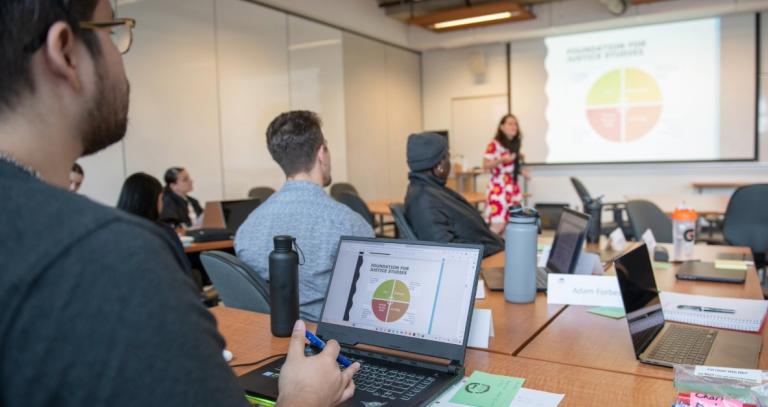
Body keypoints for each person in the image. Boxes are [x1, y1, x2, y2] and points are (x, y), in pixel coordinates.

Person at [0, 1, 358, 406]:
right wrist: (305, 395)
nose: (121, 52)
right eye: (113, 31)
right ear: (65, 52)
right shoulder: (113, 257)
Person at [236, 110, 374, 321]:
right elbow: (367, 301)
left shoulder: (246, 229)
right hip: (328, 338)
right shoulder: (350, 225)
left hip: (266, 337)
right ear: (322, 153)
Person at [404, 133, 504, 258]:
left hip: (494, 251)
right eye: (448, 157)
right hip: (487, 260)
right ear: (439, 165)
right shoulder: (423, 200)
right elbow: (447, 250)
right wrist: (493, 248)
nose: (450, 162)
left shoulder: (433, 190)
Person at [116, 172, 194, 279]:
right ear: (153, 202)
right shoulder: (162, 231)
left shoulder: (111, 232)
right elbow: (184, 270)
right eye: (161, 198)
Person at [483, 114, 530, 234]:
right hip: (499, 187)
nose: (514, 126)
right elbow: (485, 165)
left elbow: (510, 168)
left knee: (511, 225)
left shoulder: (514, 145)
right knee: (498, 224)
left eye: (515, 124)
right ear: (502, 127)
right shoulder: (494, 144)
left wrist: (521, 171)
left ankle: (504, 247)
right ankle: (488, 246)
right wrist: (501, 160)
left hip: (512, 187)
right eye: (510, 123)